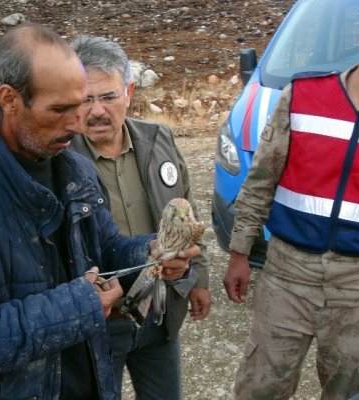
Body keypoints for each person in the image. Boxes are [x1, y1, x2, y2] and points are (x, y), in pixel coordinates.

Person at [0, 23, 199, 400]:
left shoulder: (75, 171)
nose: (77, 122)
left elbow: (104, 248)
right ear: (10, 100)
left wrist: (149, 254)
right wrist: (78, 307)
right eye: (60, 109)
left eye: (79, 102)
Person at [223, 0, 359, 399]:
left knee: (351, 392)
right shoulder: (303, 95)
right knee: (259, 388)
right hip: (287, 275)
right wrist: (239, 250)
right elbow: (260, 181)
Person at [70, 35, 212, 400]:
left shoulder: (159, 139)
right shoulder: (59, 161)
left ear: (129, 91)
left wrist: (199, 279)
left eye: (108, 96)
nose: (97, 110)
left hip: (159, 310)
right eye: (86, 98)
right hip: (98, 323)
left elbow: (187, 207)